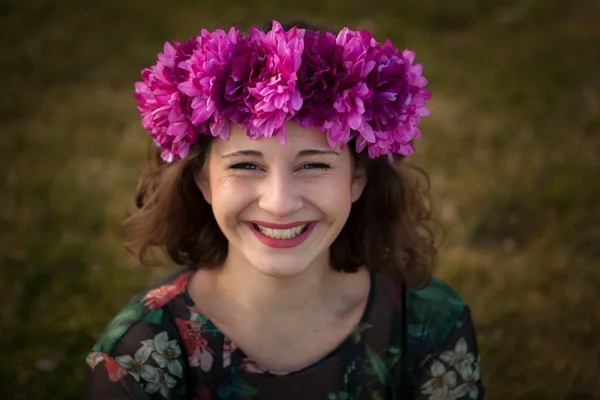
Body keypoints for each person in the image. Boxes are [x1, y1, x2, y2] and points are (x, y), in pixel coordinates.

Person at [84, 20, 484, 400]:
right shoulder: (140, 357)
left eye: (313, 165)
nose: (279, 202)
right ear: (203, 180)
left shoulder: (430, 325)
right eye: (245, 165)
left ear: (358, 179)